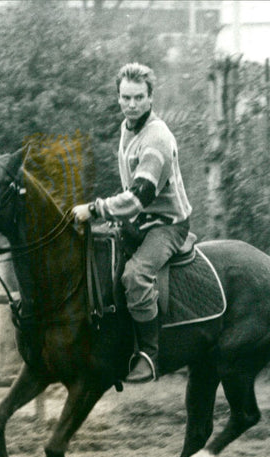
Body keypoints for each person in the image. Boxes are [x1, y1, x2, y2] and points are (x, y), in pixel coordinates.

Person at [73, 62, 192, 383]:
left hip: (167, 224)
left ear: (151, 98)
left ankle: (150, 355)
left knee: (135, 275)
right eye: (125, 97)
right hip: (138, 221)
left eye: (139, 97)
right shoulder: (129, 127)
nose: (131, 104)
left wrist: (95, 209)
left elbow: (139, 195)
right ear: (118, 98)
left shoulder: (157, 138)